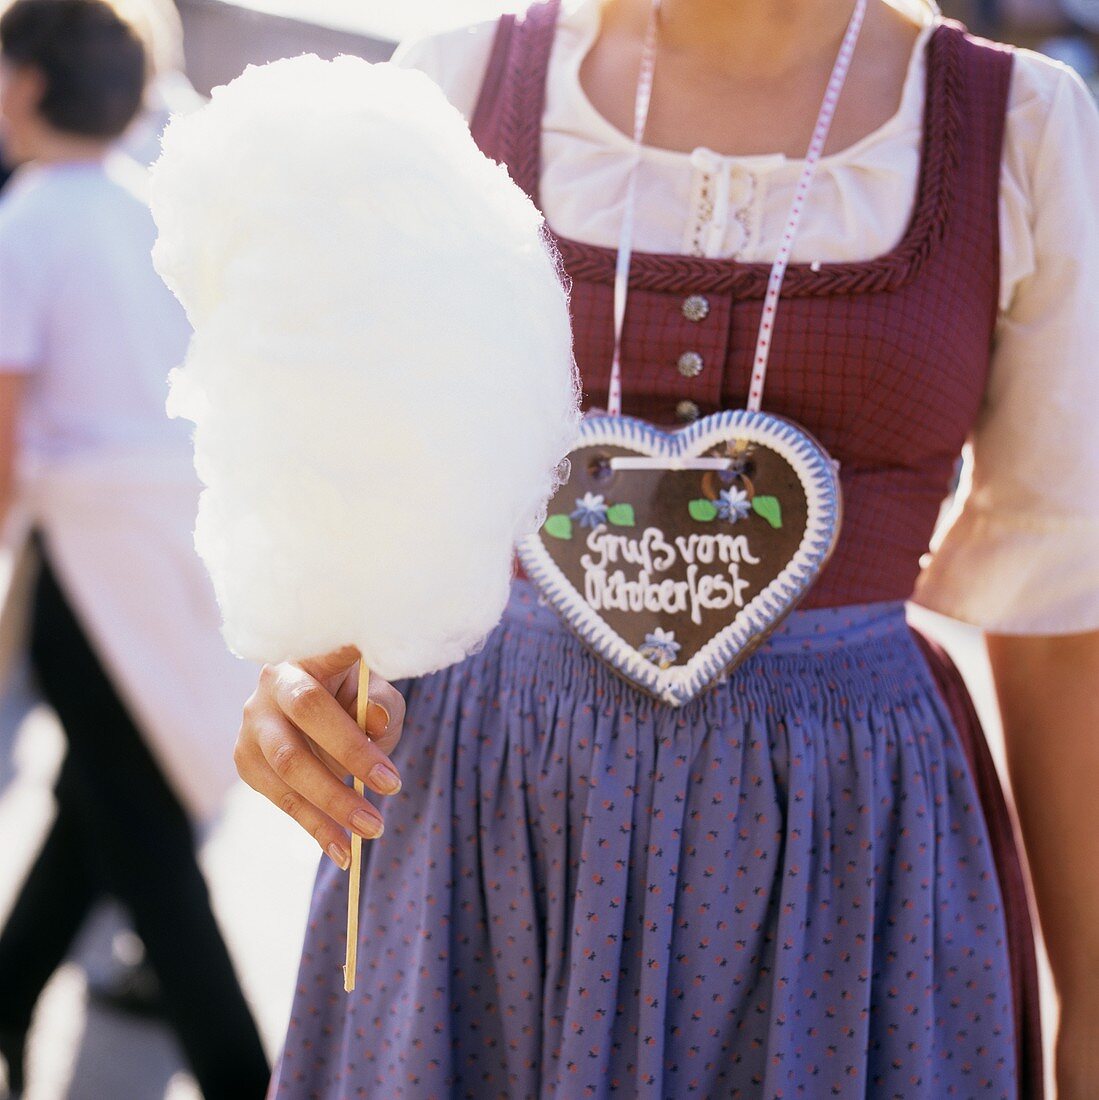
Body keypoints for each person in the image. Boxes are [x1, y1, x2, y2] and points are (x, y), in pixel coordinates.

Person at [236, 0, 1099, 1096]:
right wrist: (288, 681)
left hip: (843, 850)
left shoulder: (1018, 127)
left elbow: (1062, 616)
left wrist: (1091, 1011)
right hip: (487, 837)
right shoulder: (452, 86)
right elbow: (357, 499)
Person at [0, 2, 270, 1096]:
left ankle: (250, 1077)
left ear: (23, 87)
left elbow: (5, 426)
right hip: (174, 540)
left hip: (92, 558)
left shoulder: (31, 215)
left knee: (146, 842)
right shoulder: (139, 206)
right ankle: (8, 995)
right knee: (107, 798)